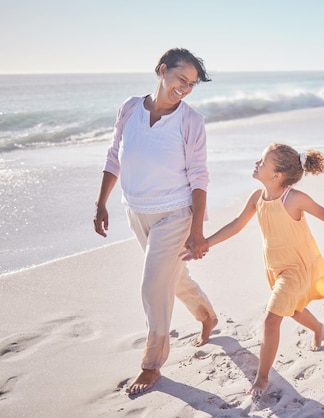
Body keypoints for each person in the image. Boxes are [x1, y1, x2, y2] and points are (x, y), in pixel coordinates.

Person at [93, 48, 219, 395]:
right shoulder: (130, 107)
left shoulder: (191, 122)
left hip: (175, 214)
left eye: (192, 84)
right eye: (182, 79)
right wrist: (101, 202)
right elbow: (114, 154)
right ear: (162, 70)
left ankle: (152, 364)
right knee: (172, 277)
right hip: (136, 210)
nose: (186, 88)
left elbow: (199, 177)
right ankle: (206, 314)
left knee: (152, 284)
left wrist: (197, 231)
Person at [183, 143, 324, 397]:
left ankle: (262, 377)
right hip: (274, 267)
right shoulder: (257, 198)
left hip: (296, 268)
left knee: (271, 319)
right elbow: (236, 225)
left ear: (277, 176)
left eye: (262, 162)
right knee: (295, 310)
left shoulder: (294, 198)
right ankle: (318, 328)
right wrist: (205, 244)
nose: (257, 163)